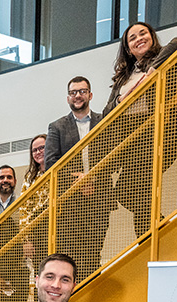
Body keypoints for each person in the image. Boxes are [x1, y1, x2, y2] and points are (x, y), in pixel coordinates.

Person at [99, 22, 177, 237]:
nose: (138, 39)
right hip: (134, 138)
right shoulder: (124, 76)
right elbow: (107, 111)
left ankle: (153, 235)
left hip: (162, 132)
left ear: (151, 36)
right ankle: (153, 236)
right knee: (136, 192)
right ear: (127, 47)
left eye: (143, 33)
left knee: (129, 190)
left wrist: (153, 71)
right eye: (132, 38)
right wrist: (122, 99)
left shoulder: (165, 59)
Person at [45, 76, 116, 280]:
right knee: (73, 255)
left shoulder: (104, 121)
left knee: (94, 254)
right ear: (68, 98)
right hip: (70, 202)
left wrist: (92, 177)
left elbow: (114, 155)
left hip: (100, 197)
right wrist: (78, 181)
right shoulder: (56, 127)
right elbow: (51, 164)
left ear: (90, 95)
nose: (78, 95)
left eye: (82, 91)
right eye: (73, 92)